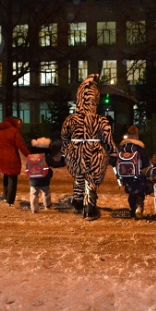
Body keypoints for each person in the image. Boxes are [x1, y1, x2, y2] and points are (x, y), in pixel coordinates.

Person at [60, 74, 118, 221]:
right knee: (91, 180)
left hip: (75, 152)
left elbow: (64, 136)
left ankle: (78, 201)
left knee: (79, 175)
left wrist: (66, 150)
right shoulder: (101, 121)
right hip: (94, 152)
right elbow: (108, 140)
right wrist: (113, 154)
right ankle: (89, 207)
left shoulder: (71, 119)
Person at [0, 116, 30, 206]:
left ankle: (5, 195)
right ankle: (10, 200)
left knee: (6, 175)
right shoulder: (14, 131)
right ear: (14, 122)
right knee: (12, 179)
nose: (20, 126)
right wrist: (29, 155)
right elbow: (21, 145)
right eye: (19, 124)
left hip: (1, 159)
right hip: (11, 158)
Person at [118, 125, 150, 219]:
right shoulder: (139, 147)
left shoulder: (123, 147)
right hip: (138, 174)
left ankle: (132, 210)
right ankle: (139, 208)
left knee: (131, 193)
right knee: (140, 192)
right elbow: (145, 161)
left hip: (126, 175)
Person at [27, 136, 54, 213]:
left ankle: (34, 209)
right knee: (46, 192)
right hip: (44, 179)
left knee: (34, 194)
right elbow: (54, 164)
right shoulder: (46, 156)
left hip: (33, 179)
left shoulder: (31, 157)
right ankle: (47, 205)